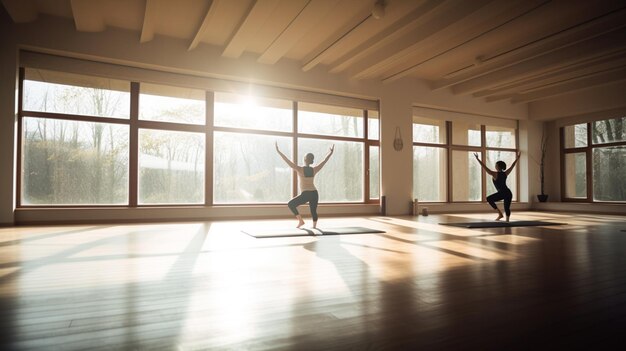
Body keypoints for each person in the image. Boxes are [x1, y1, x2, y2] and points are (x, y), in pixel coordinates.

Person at [275, 142, 334, 229]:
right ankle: (314, 227)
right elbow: (324, 161)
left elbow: (287, 161)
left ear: (305, 159)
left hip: (306, 194)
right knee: (313, 211)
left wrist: (278, 151)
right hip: (314, 193)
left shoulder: (299, 169)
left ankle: (301, 221)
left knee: (291, 204)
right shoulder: (314, 169)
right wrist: (331, 153)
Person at [473, 151, 521, 222]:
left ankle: (504, 218)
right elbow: (512, 165)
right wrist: (518, 158)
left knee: (492, 200)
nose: (495, 166)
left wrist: (478, 159)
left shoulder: (494, 174)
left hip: (503, 193)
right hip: (507, 193)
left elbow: (484, 167)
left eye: (496, 165)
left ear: (498, 166)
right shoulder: (505, 173)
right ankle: (504, 218)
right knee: (505, 207)